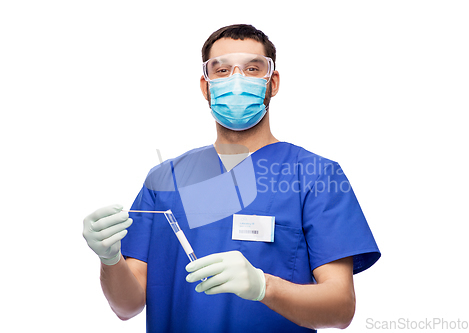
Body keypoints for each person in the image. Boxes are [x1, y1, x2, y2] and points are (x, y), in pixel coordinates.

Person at [83, 24, 381, 333]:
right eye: (222, 70)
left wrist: (265, 287)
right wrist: (110, 258)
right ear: (206, 86)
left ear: (272, 82)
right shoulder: (164, 180)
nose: (236, 81)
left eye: (252, 69)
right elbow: (127, 306)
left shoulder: (315, 176)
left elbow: (340, 308)